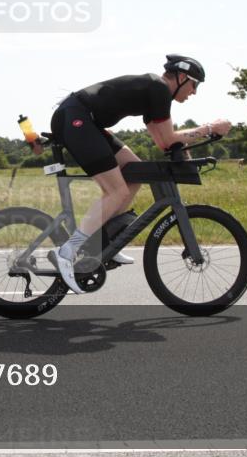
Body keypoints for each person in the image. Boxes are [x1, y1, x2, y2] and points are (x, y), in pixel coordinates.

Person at [48, 54, 231, 294]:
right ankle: (67, 251)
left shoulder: (155, 96)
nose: (194, 92)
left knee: (134, 173)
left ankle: (105, 244)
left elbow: (165, 143)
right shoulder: (158, 89)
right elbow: (168, 138)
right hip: (76, 118)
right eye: (195, 85)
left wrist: (183, 151)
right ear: (183, 78)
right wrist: (209, 129)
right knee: (117, 191)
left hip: (86, 121)